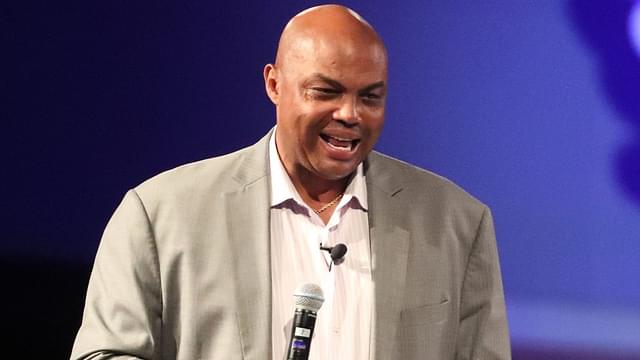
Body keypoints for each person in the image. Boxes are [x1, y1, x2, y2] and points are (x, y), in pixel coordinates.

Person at [71, 4, 510, 360]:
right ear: (275, 84)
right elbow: (105, 353)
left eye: (370, 96)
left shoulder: (457, 224)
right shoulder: (161, 214)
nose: (350, 115)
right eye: (326, 92)